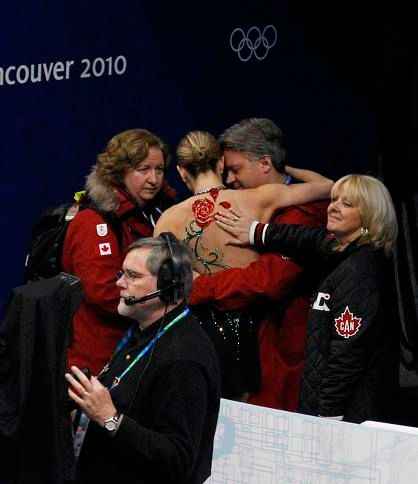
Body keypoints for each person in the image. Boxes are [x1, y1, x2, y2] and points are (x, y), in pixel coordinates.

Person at [154, 128, 332, 400]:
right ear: (221, 163)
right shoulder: (260, 197)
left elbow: (162, 286)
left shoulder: (168, 219)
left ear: (180, 171)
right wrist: (290, 169)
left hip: (202, 330)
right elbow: (330, 187)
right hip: (256, 329)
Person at [217, 174, 400, 423]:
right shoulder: (344, 250)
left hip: (348, 419)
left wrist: (328, 419)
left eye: (347, 204)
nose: (333, 207)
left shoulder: (360, 269)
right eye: (334, 199)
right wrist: (256, 231)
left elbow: (347, 356)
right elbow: (307, 238)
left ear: (369, 216)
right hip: (333, 412)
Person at [65, 234, 220, 484]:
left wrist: (110, 419)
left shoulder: (184, 358)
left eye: (133, 276)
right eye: (122, 273)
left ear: (168, 286)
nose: (119, 283)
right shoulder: (142, 331)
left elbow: (178, 459)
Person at [62, 128, 176, 376]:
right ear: (119, 171)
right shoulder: (94, 221)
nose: (154, 179)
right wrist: (168, 300)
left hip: (136, 347)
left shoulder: (157, 212)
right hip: (99, 357)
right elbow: (104, 293)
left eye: (159, 169)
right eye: (143, 169)